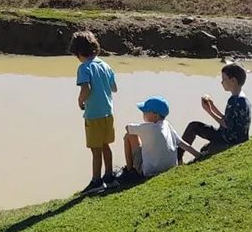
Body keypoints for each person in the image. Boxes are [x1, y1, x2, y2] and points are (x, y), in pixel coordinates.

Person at [71, 30, 118, 193]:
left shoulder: (84, 68)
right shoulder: (105, 65)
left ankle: (96, 181)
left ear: (78, 53)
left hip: (93, 115)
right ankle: (110, 177)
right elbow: (114, 88)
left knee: (95, 149)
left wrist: (80, 100)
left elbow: (87, 88)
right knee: (106, 145)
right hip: (108, 113)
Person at [119, 96, 200, 183]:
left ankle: (130, 170)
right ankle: (131, 170)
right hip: (170, 167)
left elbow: (127, 128)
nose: (143, 113)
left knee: (129, 136)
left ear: (155, 116)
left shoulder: (147, 127)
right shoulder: (167, 125)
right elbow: (181, 143)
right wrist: (197, 155)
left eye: (145, 111)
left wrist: (139, 130)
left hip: (149, 171)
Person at [180, 62, 251, 160]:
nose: (222, 82)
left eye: (224, 79)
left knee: (193, 126)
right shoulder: (242, 98)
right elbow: (229, 119)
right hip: (236, 137)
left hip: (229, 139)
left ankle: (178, 157)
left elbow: (226, 124)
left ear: (233, 80)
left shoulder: (234, 100)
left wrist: (208, 110)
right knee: (204, 148)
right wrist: (212, 106)